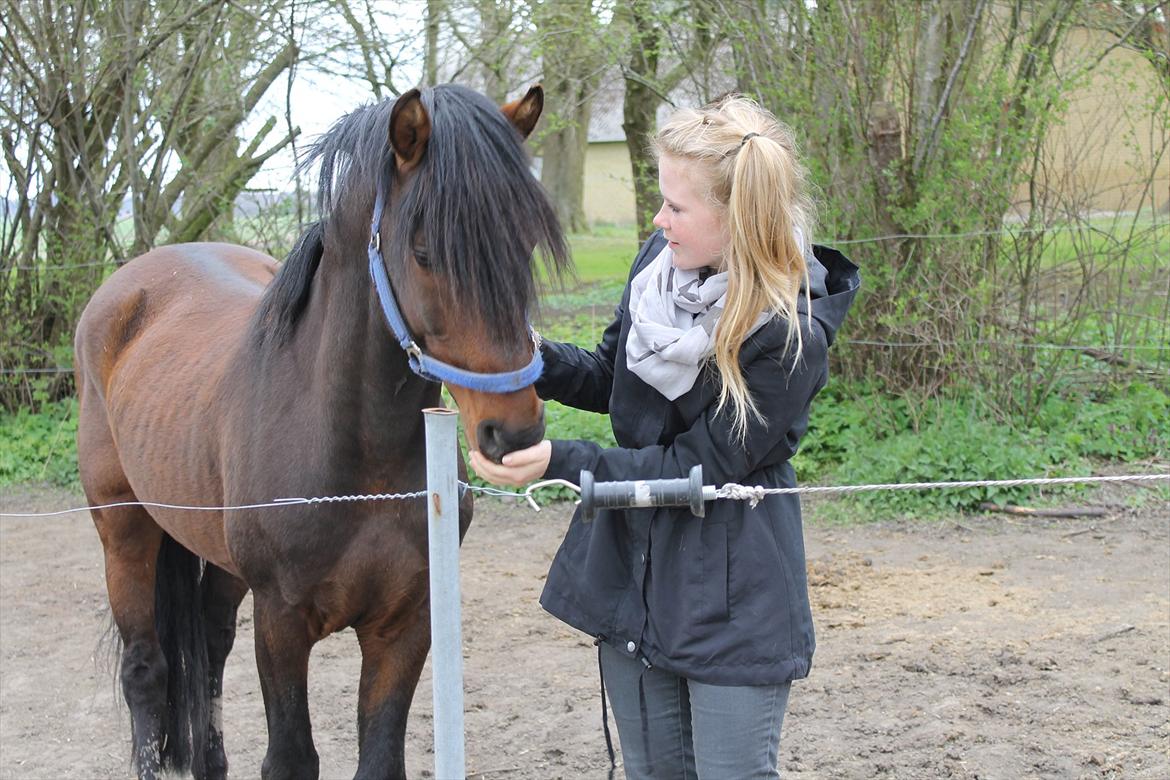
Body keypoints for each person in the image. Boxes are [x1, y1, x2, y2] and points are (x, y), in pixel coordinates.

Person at [470, 95, 860, 779]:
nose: (658, 219)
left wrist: (562, 461)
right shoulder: (660, 268)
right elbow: (609, 377)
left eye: (677, 207)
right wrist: (525, 354)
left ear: (736, 218)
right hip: (635, 581)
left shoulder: (787, 336)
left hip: (732, 595)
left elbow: (698, 467)